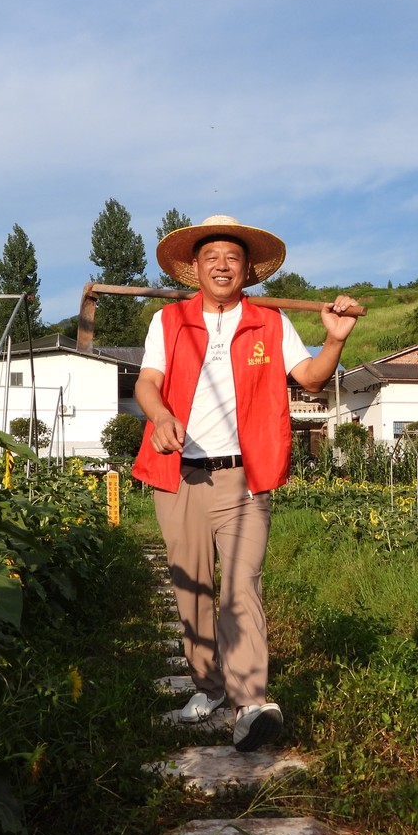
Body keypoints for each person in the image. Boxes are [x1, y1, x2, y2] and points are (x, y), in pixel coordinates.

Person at [133, 214, 359, 752]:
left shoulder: (270, 323)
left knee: (240, 587)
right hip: (179, 472)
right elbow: (147, 382)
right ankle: (208, 686)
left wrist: (334, 341)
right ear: (194, 268)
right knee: (192, 590)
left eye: (232, 257)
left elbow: (309, 378)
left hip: (244, 477)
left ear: (247, 270)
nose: (222, 265)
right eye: (211, 257)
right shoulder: (169, 322)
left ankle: (250, 702)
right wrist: (160, 416)